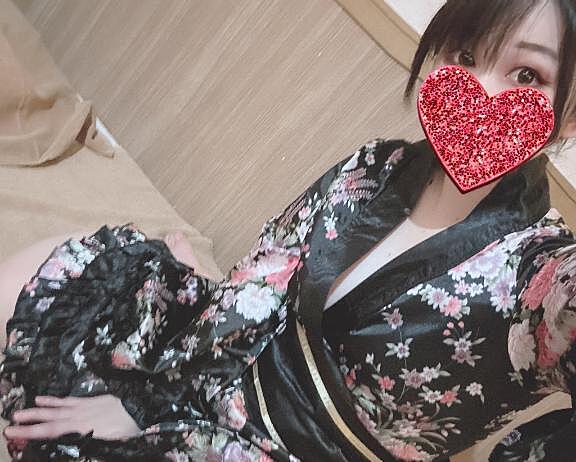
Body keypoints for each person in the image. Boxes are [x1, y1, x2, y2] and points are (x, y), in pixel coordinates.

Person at [1, 0, 576, 460]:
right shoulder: (376, 166)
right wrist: (144, 399)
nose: (482, 90)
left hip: (281, 447)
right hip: (224, 359)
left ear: (569, 116)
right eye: (465, 54)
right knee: (56, 276)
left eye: (527, 74)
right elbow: (264, 276)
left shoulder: (544, 275)